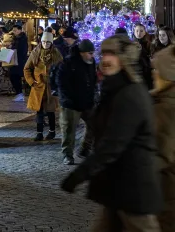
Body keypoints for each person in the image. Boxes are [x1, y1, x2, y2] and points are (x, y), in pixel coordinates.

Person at [61, 34, 162, 231]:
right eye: (104, 53)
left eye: (112, 54)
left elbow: (113, 144)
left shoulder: (130, 94)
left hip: (133, 186)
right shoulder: (114, 89)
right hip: (117, 186)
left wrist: (80, 174)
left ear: (124, 59)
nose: (105, 59)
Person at [55, 39, 97, 165]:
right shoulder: (68, 63)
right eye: (90, 53)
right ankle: (67, 154)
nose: (92, 55)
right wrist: (68, 98)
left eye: (93, 53)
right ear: (82, 53)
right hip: (71, 103)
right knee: (69, 130)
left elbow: (92, 79)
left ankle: (84, 148)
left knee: (95, 124)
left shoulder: (91, 62)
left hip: (87, 101)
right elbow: (61, 82)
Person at [24, 31, 63, 142]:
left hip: (51, 87)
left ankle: (52, 132)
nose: (45, 44)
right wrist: (31, 81)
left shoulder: (56, 54)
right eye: (44, 42)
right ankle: (39, 133)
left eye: (48, 42)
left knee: (51, 111)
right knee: (39, 111)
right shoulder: (35, 53)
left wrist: (57, 83)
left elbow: (61, 69)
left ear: (51, 43)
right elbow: (27, 68)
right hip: (38, 87)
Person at [153, 45, 175, 232]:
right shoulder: (160, 102)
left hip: (167, 192)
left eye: (157, 70)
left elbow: (162, 154)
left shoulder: (166, 108)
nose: (154, 74)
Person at [10, 23, 29, 102]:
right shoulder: (16, 38)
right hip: (15, 61)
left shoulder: (22, 39)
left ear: (20, 30)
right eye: (13, 30)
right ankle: (19, 94)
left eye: (15, 30)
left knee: (15, 76)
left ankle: (20, 94)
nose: (14, 32)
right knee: (13, 76)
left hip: (19, 61)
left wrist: (13, 49)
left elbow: (22, 51)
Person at [135, 23, 154, 90]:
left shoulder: (149, 44)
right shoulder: (132, 43)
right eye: (137, 31)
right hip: (136, 72)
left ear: (145, 32)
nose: (138, 33)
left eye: (141, 31)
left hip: (146, 72)